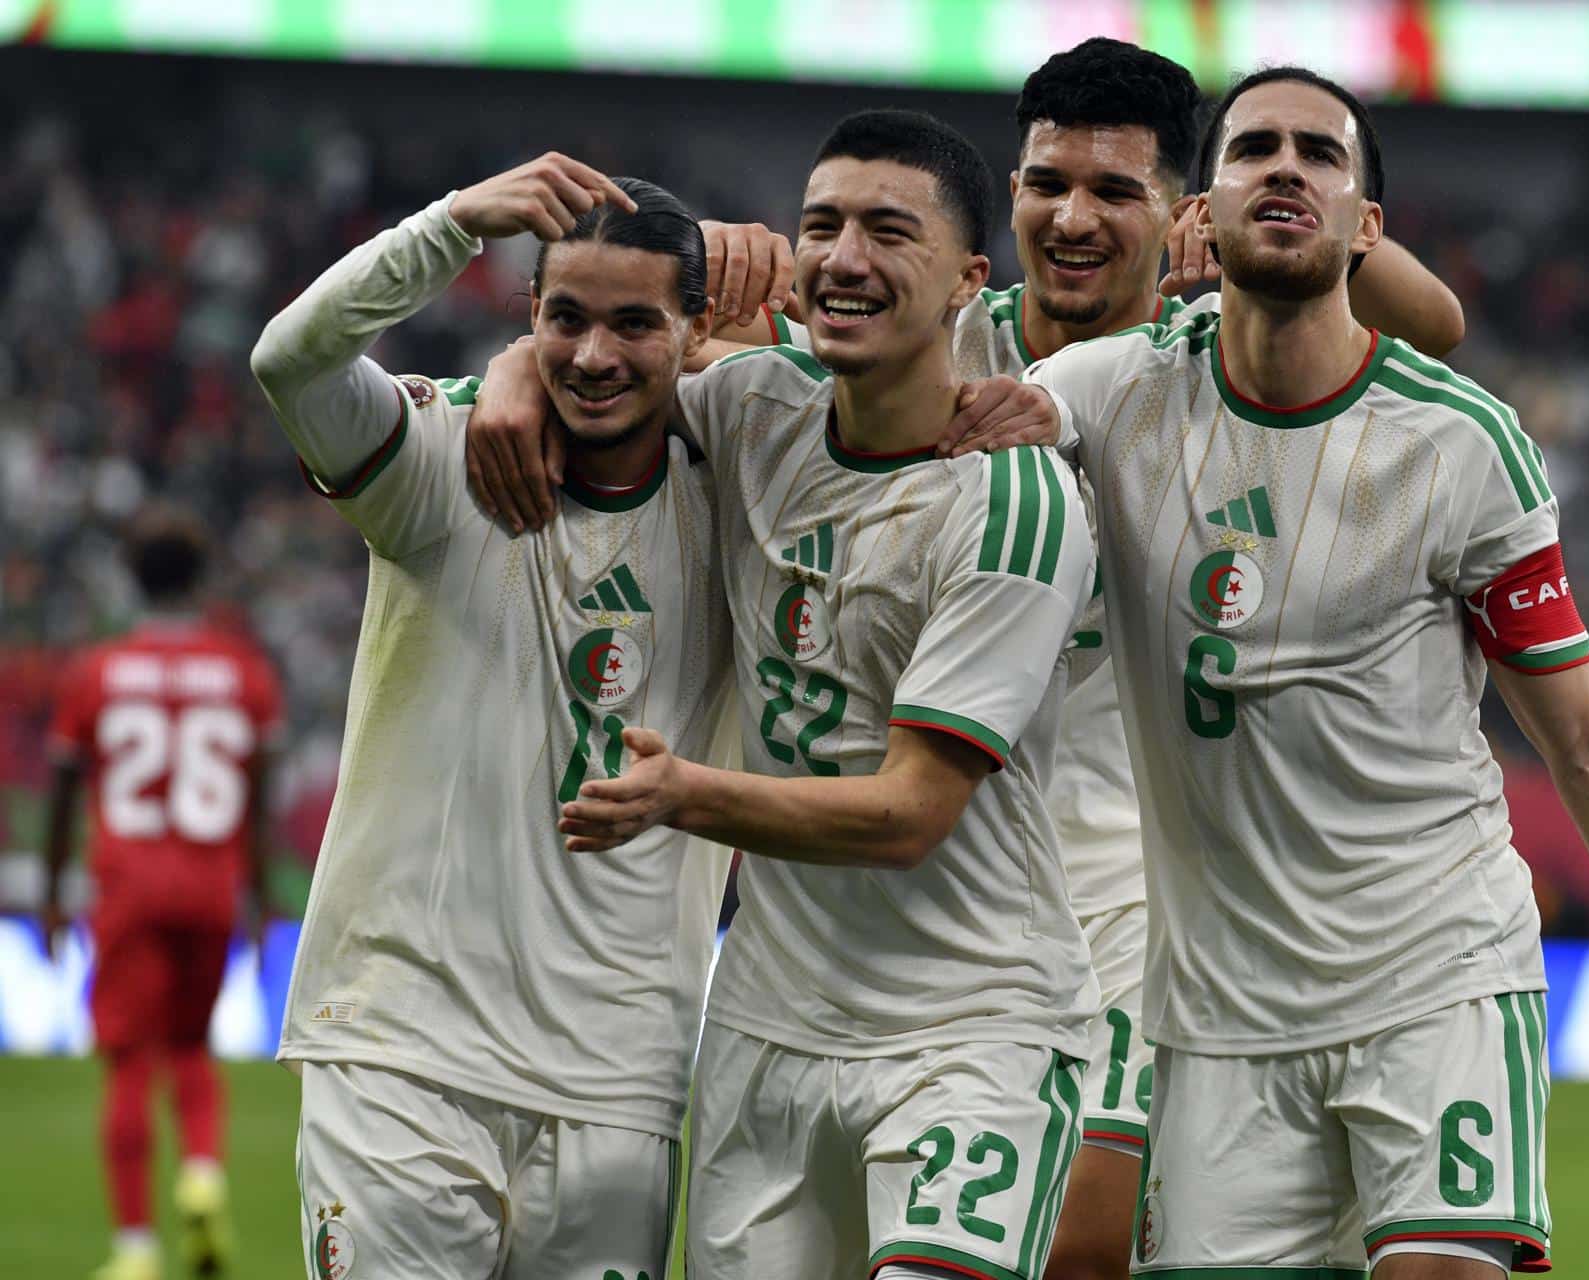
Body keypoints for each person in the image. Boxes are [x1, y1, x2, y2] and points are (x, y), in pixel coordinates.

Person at [465, 40, 1466, 1280]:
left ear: (1183, 213)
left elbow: (1438, 323)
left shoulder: (1209, 357)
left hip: (1125, 899)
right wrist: (516, 366)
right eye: (1049, 183)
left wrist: (1293, 211)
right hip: (866, 920)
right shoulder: (926, 327)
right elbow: (640, 355)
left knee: (1088, 1246)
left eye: (1117, 192)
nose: (1076, 217)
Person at [1008, 67, 1589, 1277]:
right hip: (1217, 1022)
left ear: (1367, 228)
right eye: (1253, 149)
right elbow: (929, 437)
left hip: (1432, 983)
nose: (1285, 167)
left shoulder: (1460, 442)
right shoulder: (1102, 394)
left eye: (1320, 154)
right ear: (1201, 208)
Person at [551, 109, 1097, 1280]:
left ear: (968, 280)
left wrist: (683, 792)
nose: (844, 257)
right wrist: (508, 375)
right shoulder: (753, 408)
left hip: (972, 1026)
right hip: (766, 1026)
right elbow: (597, 359)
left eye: (887, 231)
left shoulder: (1016, 506)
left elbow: (908, 814)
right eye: (821, 226)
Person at [249, 155, 738, 1280]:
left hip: (619, 1081)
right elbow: (291, 359)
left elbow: (873, 385)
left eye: (635, 323)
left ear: (695, 330)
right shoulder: (435, 461)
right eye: (562, 318)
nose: (594, 354)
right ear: (527, 311)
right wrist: (453, 223)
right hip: (402, 1056)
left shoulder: (745, 486)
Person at [43, 504, 285, 1280]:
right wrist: (257, 896)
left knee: (127, 1063)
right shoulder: (244, 670)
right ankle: (204, 1177)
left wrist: (52, 893)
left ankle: (138, 1248)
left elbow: (61, 788)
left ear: (132, 578)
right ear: (202, 579)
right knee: (191, 1048)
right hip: (212, 886)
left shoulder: (99, 670)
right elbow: (261, 794)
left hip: (127, 887)